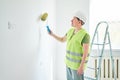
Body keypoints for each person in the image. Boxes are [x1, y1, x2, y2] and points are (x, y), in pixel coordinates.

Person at [48, 11, 90, 80]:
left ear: (79, 22)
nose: (71, 20)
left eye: (73, 19)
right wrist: (52, 34)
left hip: (77, 66)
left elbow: (85, 53)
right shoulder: (70, 31)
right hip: (68, 64)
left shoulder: (85, 35)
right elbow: (62, 39)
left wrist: (81, 67)